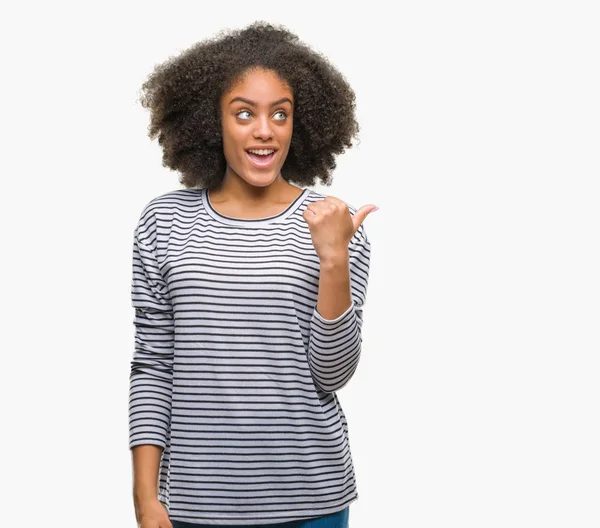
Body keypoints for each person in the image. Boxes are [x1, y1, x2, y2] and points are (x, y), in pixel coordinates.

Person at [129, 21, 376, 528]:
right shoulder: (164, 221)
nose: (264, 130)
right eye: (244, 113)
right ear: (210, 122)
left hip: (313, 500)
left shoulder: (333, 223)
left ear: (298, 125)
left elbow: (333, 374)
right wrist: (145, 496)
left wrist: (333, 260)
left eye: (280, 115)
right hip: (196, 506)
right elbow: (153, 365)